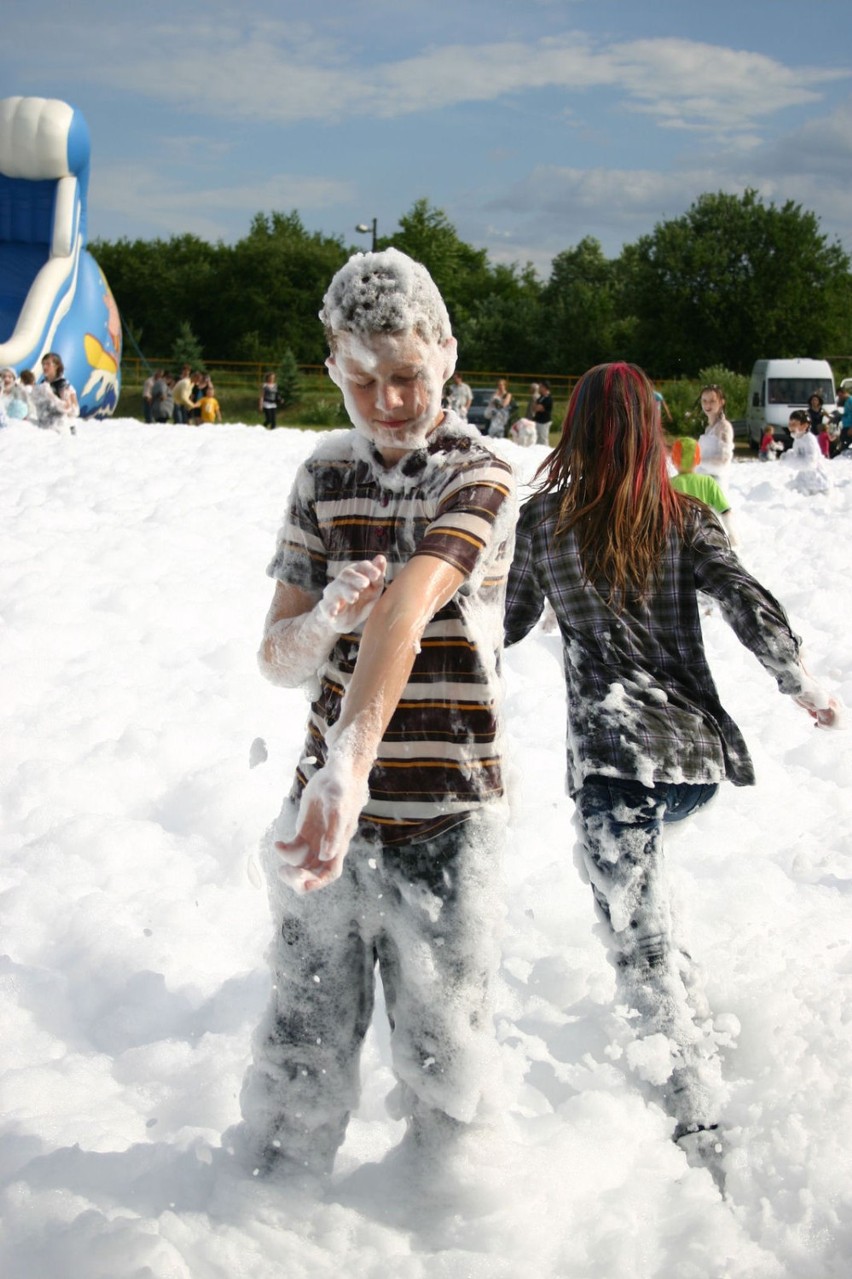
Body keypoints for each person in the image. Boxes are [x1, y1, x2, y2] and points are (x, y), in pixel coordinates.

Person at [503, 362, 838, 1177]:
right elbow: (746, 600)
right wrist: (802, 684)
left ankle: (697, 1128)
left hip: (615, 764)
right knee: (647, 911)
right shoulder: (686, 515)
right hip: (691, 760)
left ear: (575, 431)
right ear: (653, 433)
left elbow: (501, 627)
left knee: (636, 940)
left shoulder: (542, 522)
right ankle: (696, 1027)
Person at [232, 248, 517, 1183]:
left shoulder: (478, 471)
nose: (389, 400)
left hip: (445, 813)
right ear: (332, 370)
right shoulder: (322, 477)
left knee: (446, 1061)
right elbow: (277, 660)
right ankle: (264, 1217)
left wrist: (350, 763)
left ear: (447, 352)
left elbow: (412, 604)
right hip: (324, 820)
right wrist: (322, 619)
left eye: (408, 376)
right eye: (364, 380)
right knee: (299, 1039)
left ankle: (441, 1226)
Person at [669, 436, 736, 545]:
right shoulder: (708, 481)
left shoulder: (669, 484)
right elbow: (725, 511)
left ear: (673, 460)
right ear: (698, 460)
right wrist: (733, 534)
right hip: (704, 536)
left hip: (679, 538)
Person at [781, 409, 831, 495]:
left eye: (794, 424)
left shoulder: (810, 440)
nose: (790, 427)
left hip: (818, 481)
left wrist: (791, 460)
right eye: (789, 424)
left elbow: (810, 463)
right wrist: (788, 456)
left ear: (804, 425)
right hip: (805, 477)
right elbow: (798, 455)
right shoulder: (797, 439)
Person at [696, 383, 734, 481]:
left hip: (716, 484)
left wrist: (697, 461)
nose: (707, 404)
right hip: (703, 481)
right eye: (704, 401)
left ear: (721, 402)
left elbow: (723, 460)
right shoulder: (708, 429)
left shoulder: (723, 427)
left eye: (712, 401)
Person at [34, 353, 79, 434]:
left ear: (56, 366)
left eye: (48, 364)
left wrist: (50, 395)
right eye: (43, 364)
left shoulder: (62, 384)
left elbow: (68, 408)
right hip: (44, 427)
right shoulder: (43, 383)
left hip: (61, 429)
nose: (44, 367)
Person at [532, 379, 553, 446]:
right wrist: (537, 407)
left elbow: (538, 408)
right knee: (537, 439)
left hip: (544, 422)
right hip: (537, 420)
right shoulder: (541, 397)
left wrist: (538, 407)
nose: (539, 388)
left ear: (545, 388)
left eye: (540, 387)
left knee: (543, 439)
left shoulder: (548, 398)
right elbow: (534, 408)